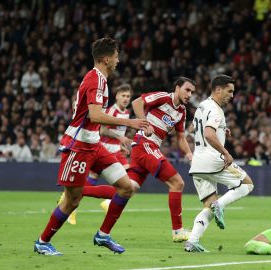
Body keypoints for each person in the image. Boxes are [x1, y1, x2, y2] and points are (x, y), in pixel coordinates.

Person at [33, 38, 150, 256]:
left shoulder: (101, 80)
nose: (118, 59)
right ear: (106, 58)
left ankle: (103, 235)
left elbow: (94, 117)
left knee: (127, 187)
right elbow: (96, 115)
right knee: (72, 201)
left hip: (94, 144)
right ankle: (42, 242)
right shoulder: (96, 80)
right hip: (78, 146)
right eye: (116, 55)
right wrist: (130, 122)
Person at [76, 77, 196, 242]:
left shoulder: (181, 112)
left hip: (147, 148)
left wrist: (189, 155)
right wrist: (144, 123)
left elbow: (181, 137)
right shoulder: (163, 97)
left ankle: (78, 190)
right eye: (187, 90)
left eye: (192, 92)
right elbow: (137, 102)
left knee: (127, 190)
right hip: (145, 145)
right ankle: (177, 231)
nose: (190, 94)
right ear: (177, 88)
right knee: (177, 183)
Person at [184, 75, 254, 252]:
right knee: (247, 184)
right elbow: (208, 133)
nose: (231, 95)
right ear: (218, 90)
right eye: (229, 91)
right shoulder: (216, 110)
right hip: (213, 160)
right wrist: (225, 152)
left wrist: (222, 129)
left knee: (208, 206)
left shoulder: (202, 105)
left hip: (197, 163)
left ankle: (192, 241)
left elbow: (193, 129)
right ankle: (219, 206)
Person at [63, 83, 134, 225]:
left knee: (94, 179)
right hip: (104, 148)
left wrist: (120, 144)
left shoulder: (126, 113)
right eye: (123, 96)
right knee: (129, 179)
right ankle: (106, 202)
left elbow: (118, 133)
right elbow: (101, 130)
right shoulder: (110, 111)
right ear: (117, 97)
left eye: (128, 96)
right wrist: (120, 138)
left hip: (115, 149)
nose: (126, 99)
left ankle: (71, 201)